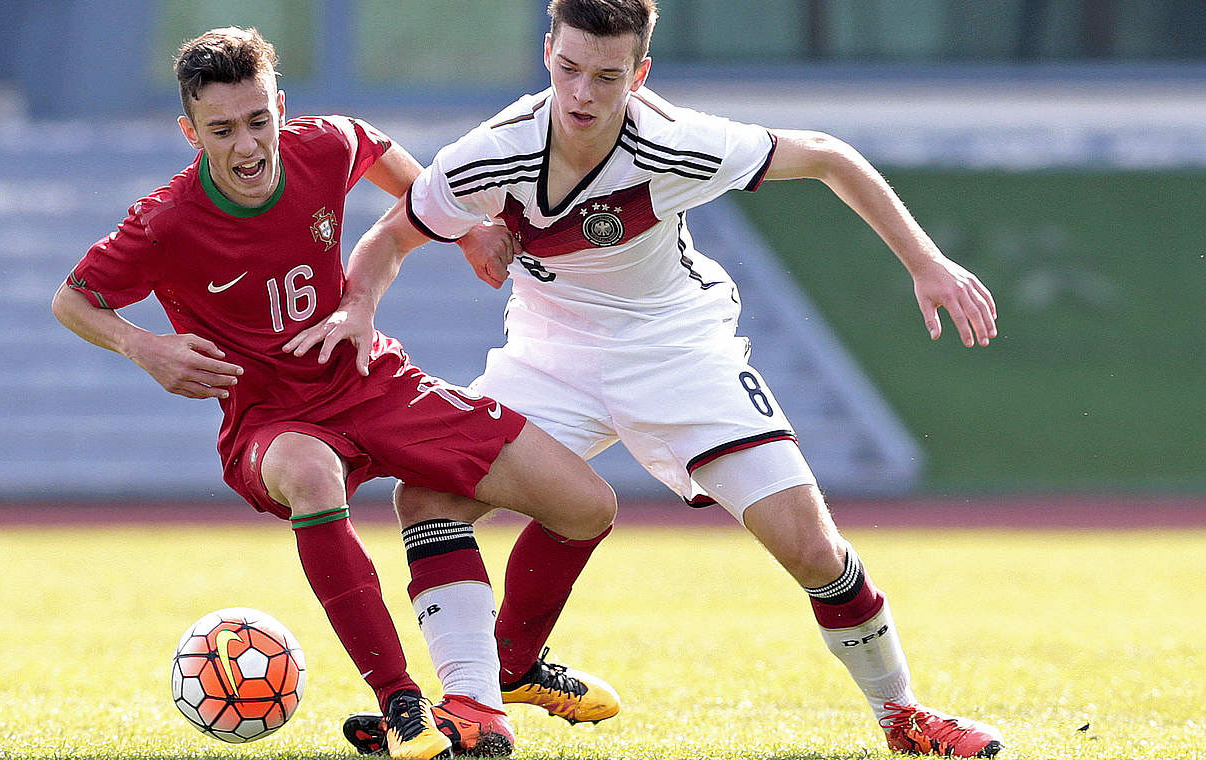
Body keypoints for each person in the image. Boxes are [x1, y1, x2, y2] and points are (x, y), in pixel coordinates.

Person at [312, 1, 1005, 757]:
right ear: (548, 52)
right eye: (570, 69)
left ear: (638, 76)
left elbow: (829, 155)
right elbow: (390, 236)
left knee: (811, 547)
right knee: (428, 497)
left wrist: (927, 264)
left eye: (607, 77)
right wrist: (356, 307)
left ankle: (904, 716)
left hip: (678, 352)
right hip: (550, 357)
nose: (583, 94)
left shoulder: (678, 145)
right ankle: (477, 704)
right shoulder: (492, 152)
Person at [49, 27, 621, 760]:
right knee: (314, 476)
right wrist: (144, 346)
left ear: (280, 108)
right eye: (222, 130)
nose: (248, 147)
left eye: (259, 121)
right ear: (191, 132)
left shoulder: (321, 145)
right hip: (271, 423)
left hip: (370, 380)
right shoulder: (164, 220)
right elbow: (73, 300)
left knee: (587, 507)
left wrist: (464, 233)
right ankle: (404, 705)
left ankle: (507, 672)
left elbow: (372, 146)